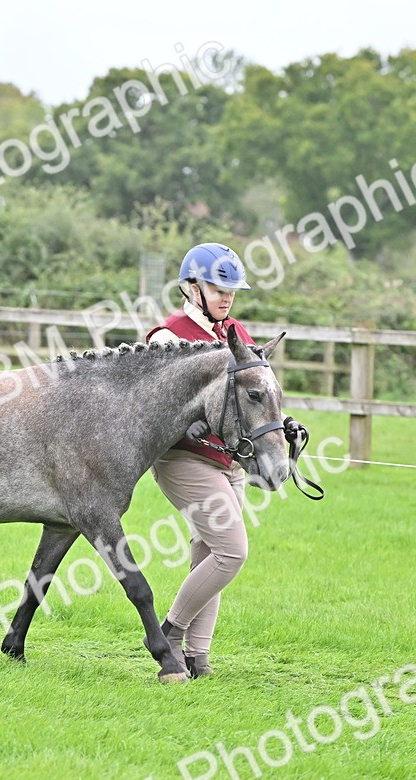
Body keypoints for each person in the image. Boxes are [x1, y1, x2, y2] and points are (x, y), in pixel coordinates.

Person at [145, 242, 306, 679]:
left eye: (232, 290)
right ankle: (168, 635)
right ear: (192, 288)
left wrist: (284, 424)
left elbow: (258, 395)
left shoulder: (236, 333)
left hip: (231, 462)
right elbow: (152, 403)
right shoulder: (169, 337)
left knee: (208, 555)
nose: (227, 297)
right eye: (219, 288)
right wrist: (184, 423)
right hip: (185, 460)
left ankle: (197, 657)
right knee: (232, 552)